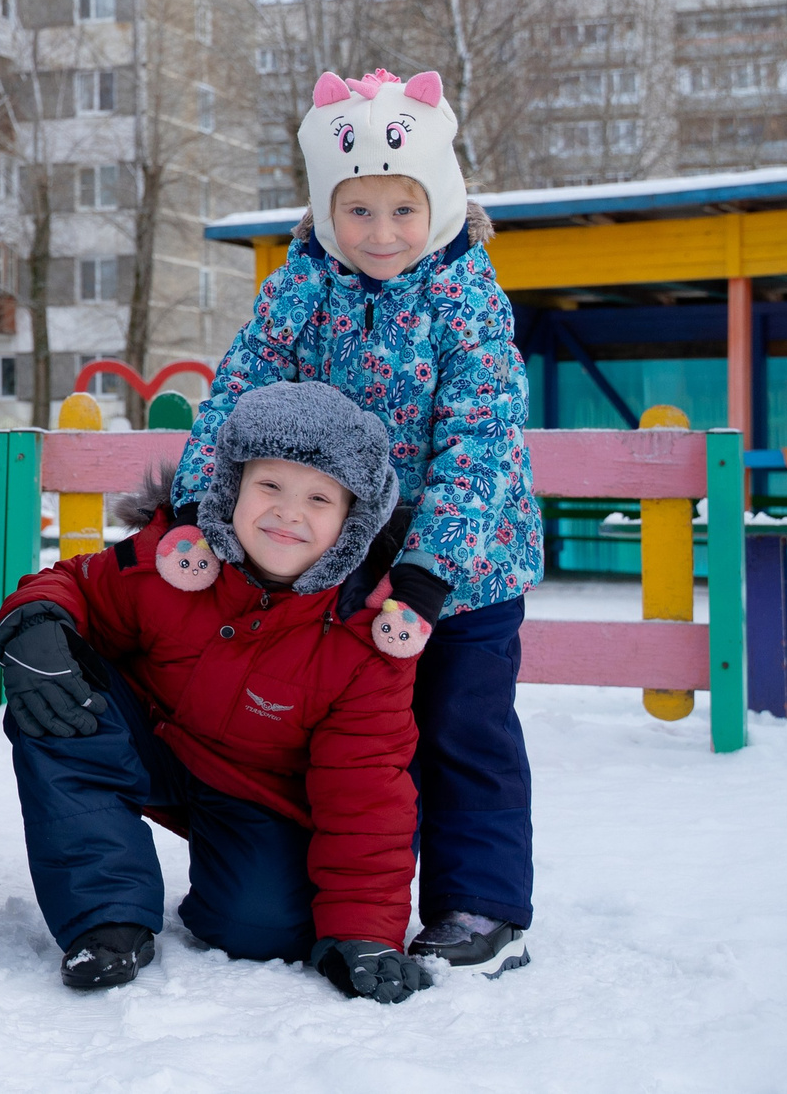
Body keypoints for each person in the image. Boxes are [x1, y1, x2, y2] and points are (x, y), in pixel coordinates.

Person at [171, 68, 542, 976]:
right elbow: (238, 398)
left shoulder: (468, 301)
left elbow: (481, 444)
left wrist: (426, 573)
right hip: (340, 560)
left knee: (462, 728)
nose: (381, 234)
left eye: (403, 210)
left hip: (466, 572)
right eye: (359, 211)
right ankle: (349, 895)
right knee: (357, 738)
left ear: (442, 203)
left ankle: (480, 902)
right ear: (326, 210)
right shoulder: (300, 291)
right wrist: (195, 508)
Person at [0, 382, 431, 1000]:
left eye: (318, 498)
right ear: (233, 488)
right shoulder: (177, 564)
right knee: (55, 697)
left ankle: (238, 891)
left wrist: (365, 932)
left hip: (250, 788)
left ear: (351, 521)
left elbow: (366, 791)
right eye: (270, 486)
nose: (288, 512)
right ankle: (108, 917)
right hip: (147, 738)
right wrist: (37, 621)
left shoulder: (363, 640)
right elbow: (76, 583)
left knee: (260, 926)